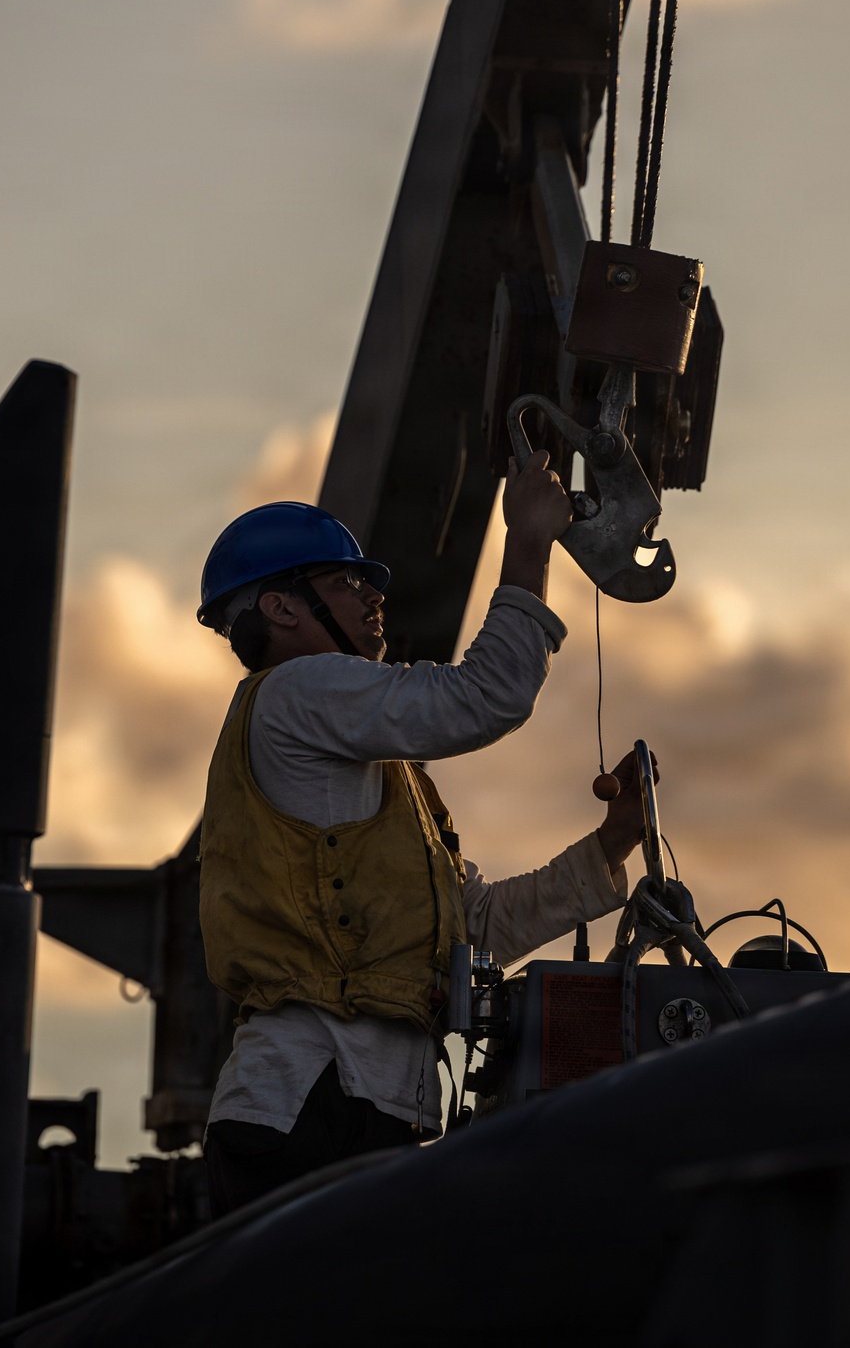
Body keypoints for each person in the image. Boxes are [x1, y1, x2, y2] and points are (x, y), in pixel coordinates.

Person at [196, 451, 650, 1217]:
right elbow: (486, 696)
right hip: (314, 1104)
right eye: (348, 582)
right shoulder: (298, 690)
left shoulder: (377, 782)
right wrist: (528, 543)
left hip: (351, 1110)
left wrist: (613, 845)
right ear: (279, 609)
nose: (376, 595)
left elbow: (476, 931)